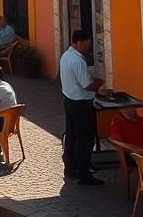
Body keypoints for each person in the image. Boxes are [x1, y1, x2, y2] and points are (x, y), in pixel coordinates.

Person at [60, 29, 106, 186]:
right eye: (87, 44)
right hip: (81, 104)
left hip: (69, 100)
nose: (88, 47)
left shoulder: (66, 56)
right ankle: (84, 173)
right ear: (80, 43)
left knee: (72, 137)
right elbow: (88, 86)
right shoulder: (78, 61)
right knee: (85, 139)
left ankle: (71, 168)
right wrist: (100, 82)